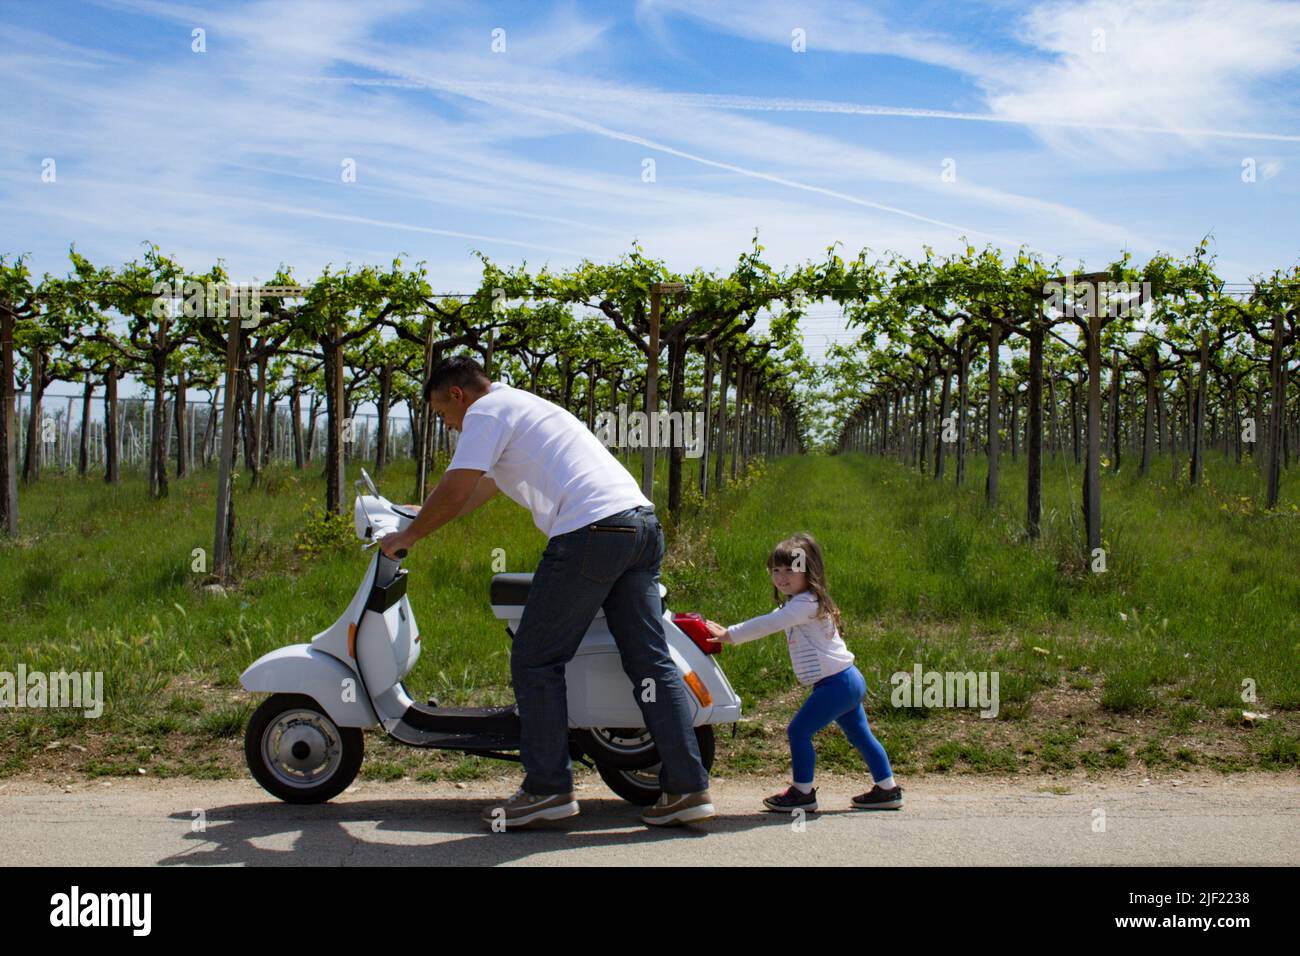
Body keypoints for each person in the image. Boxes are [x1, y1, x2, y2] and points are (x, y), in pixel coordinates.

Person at [380, 356, 713, 828]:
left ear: (457, 394)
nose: (448, 426)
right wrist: (424, 511)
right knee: (648, 660)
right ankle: (687, 786)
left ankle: (548, 788)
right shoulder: (524, 404)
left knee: (536, 657)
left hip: (592, 530)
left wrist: (407, 539)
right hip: (639, 524)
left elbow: (458, 485)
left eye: (442, 414)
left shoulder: (485, 412)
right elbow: (480, 488)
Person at [704, 532, 902, 812]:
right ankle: (887, 788)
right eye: (776, 570)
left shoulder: (804, 605)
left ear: (809, 573)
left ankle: (802, 792)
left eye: (791, 570)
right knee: (860, 735)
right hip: (846, 680)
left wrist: (729, 634)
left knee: (798, 731)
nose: (782, 577)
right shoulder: (806, 602)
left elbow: (768, 624)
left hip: (837, 684)